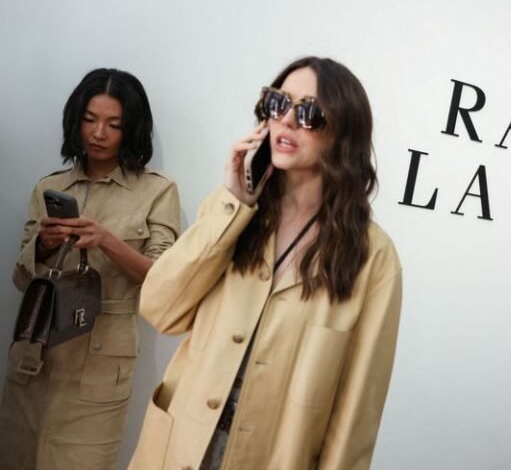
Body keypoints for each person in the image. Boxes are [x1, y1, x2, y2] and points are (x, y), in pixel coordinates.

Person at [129, 56, 402, 469]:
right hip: (179, 446)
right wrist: (233, 205)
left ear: (343, 132)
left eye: (309, 113)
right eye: (278, 103)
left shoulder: (373, 258)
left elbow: (356, 413)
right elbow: (159, 307)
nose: (287, 120)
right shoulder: (233, 212)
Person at [0, 68, 181, 469]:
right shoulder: (50, 187)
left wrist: (107, 241)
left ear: (132, 129)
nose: (98, 133)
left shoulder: (157, 190)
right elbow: (20, 279)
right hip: (34, 361)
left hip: (98, 372)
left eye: (114, 125)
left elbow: (164, 283)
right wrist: (44, 246)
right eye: (89, 120)